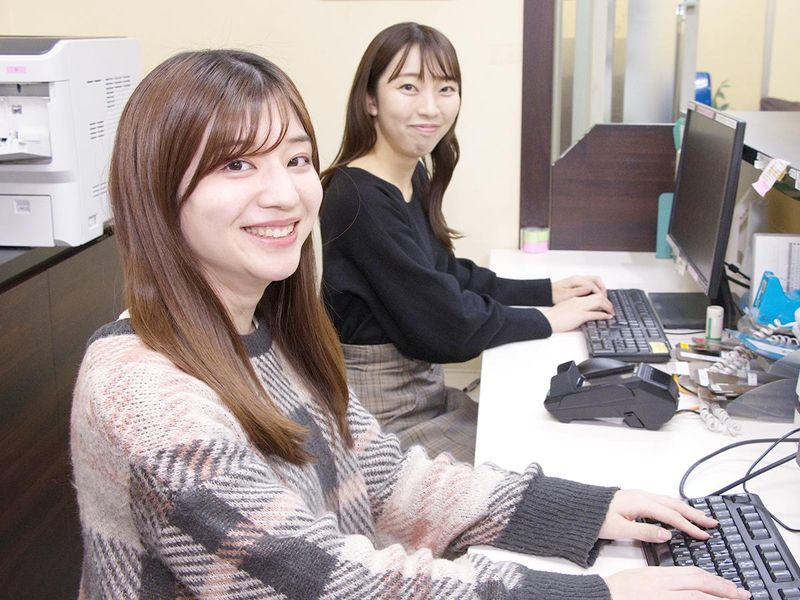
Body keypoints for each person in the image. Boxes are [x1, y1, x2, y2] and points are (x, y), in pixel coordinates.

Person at [70, 48, 748, 600]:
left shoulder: (275, 334)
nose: (285, 193)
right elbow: (319, 581)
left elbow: (385, 477)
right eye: (237, 164)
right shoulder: (144, 394)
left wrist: (580, 510)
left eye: (296, 159)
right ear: (157, 189)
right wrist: (596, 594)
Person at [320, 22, 614, 463]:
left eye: (446, 89)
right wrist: (548, 319)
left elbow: (446, 275)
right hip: (382, 421)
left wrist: (546, 292)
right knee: (543, 458)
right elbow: (447, 325)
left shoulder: (409, 175)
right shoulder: (358, 197)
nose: (430, 107)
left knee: (545, 429)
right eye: (408, 87)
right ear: (370, 100)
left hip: (423, 396)